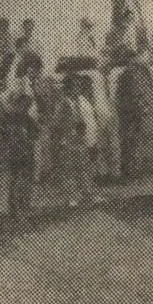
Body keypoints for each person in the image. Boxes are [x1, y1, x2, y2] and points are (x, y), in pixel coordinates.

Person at [60, 76, 100, 208]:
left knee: (85, 167)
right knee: (70, 169)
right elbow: (58, 123)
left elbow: (89, 118)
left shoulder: (83, 100)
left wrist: (91, 137)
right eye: (74, 86)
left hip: (82, 138)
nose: (77, 89)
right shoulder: (64, 103)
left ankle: (88, 194)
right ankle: (71, 197)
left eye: (78, 86)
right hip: (69, 139)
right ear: (68, 88)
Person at [1, 95, 40, 223]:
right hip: (14, 155)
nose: (25, 108)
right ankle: (15, 210)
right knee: (15, 183)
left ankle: (24, 208)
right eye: (23, 105)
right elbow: (3, 136)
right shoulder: (9, 119)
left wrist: (29, 138)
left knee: (26, 183)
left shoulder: (27, 119)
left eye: (27, 106)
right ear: (18, 105)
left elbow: (37, 131)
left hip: (27, 154)